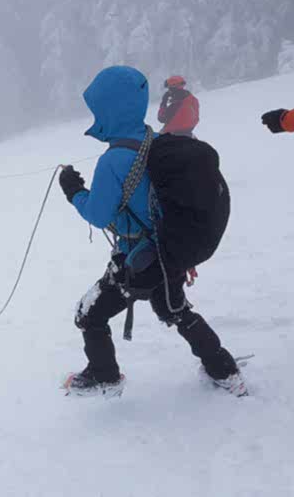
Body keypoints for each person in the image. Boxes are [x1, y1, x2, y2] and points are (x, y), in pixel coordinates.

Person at [58, 65, 243, 397]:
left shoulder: (112, 160)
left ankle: (105, 375)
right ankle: (223, 369)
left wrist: (73, 191)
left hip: (138, 262)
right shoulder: (157, 141)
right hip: (168, 252)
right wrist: (184, 250)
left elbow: (99, 215)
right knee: (176, 311)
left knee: (89, 315)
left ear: (109, 110)